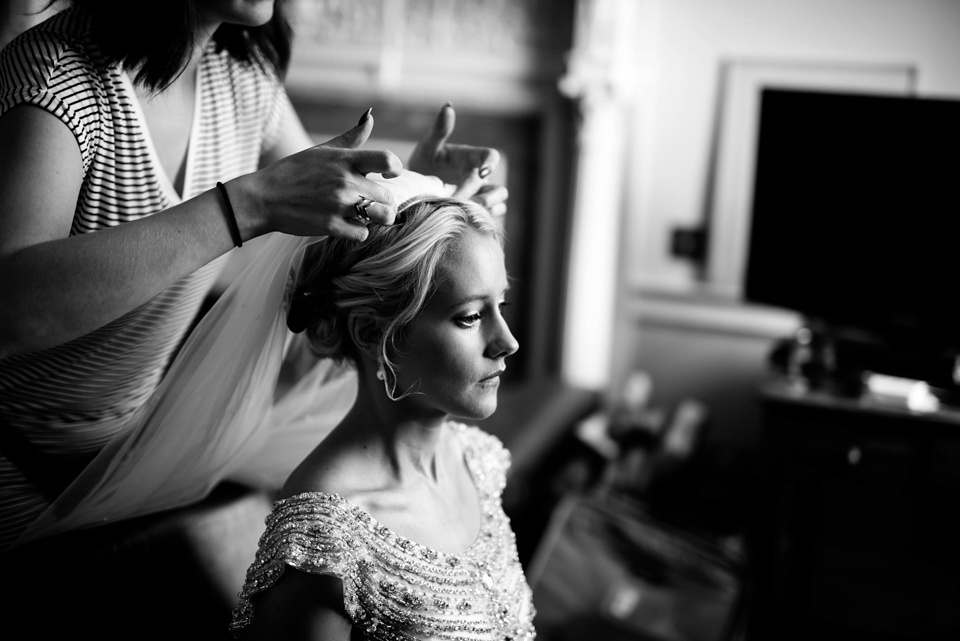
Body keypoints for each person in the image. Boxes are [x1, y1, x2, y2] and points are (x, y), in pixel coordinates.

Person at [0, 0, 506, 551]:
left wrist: (419, 190)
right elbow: (13, 312)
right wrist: (243, 207)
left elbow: (338, 227)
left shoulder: (242, 77)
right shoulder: (55, 79)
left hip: (133, 450)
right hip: (16, 466)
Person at [229, 195, 535, 641]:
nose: (507, 342)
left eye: (500, 307)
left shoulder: (479, 462)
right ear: (376, 334)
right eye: (470, 317)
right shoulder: (327, 535)